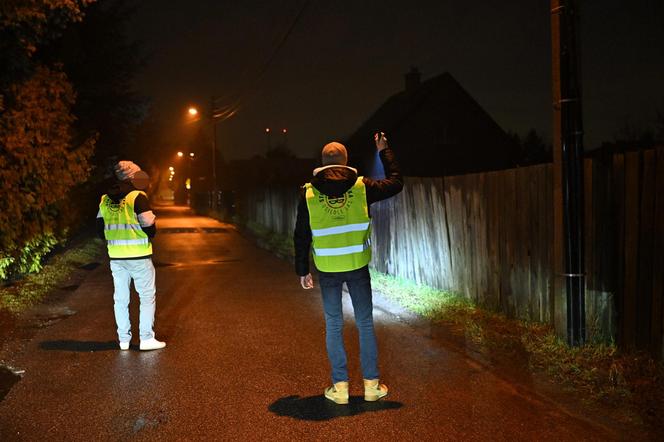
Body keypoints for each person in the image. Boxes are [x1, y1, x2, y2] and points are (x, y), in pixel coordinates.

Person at [294, 133, 403, 404]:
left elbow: (301, 234)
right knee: (365, 323)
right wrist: (384, 151)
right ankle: (371, 386)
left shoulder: (308, 192)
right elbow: (396, 183)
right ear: (345, 161)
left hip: (328, 268)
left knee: (333, 325)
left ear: (322, 162)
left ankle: (340, 388)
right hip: (357, 265)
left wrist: (302, 269)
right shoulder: (361, 187)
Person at [96, 161, 166, 351]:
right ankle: (146, 339)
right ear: (132, 176)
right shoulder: (137, 197)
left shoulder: (105, 199)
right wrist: (147, 235)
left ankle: (124, 340)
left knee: (120, 298)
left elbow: (99, 229)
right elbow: (149, 225)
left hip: (116, 258)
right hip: (139, 256)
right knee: (146, 296)